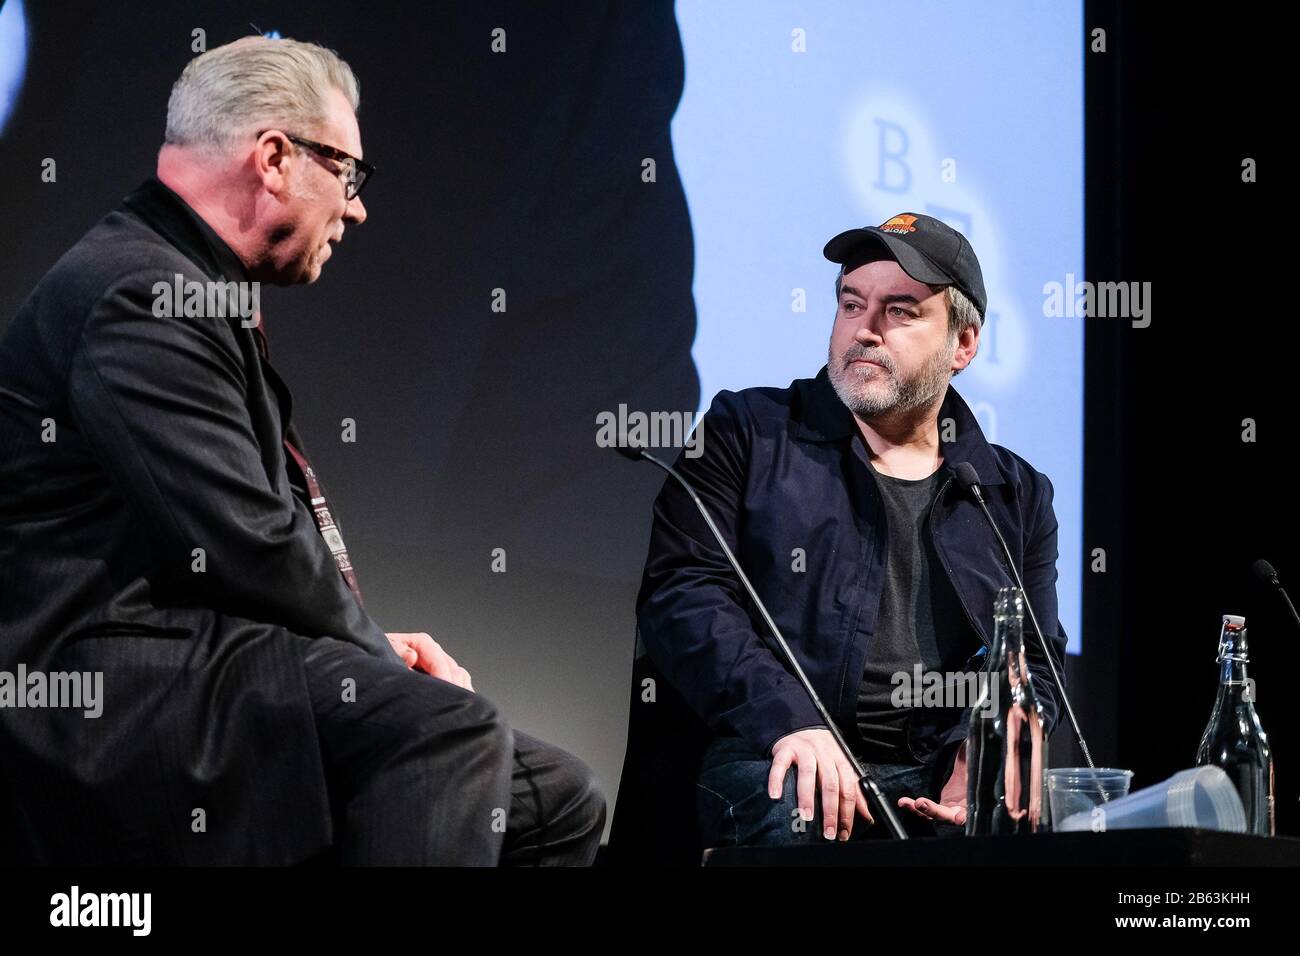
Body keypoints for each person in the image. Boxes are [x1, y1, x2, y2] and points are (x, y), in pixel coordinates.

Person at [0, 36, 603, 865]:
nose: (356, 208)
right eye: (348, 174)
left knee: (557, 796)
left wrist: (370, 650)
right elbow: (247, 540)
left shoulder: (181, 281)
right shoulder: (143, 292)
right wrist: (369, 649)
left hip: (197, 658)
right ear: (275, 159)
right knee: (446, 736)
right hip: (110, 685)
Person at [619, 213, 1067, 855]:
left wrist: (988, 750)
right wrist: (791, 722)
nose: (865, 329)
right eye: (851, 303)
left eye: (901, 311)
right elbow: (682, 595)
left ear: (963, 345)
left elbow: (1038, 661)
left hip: (932, 775)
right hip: (771, 747)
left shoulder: (1013, 493)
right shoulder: (746, 432)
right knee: (800, 810)